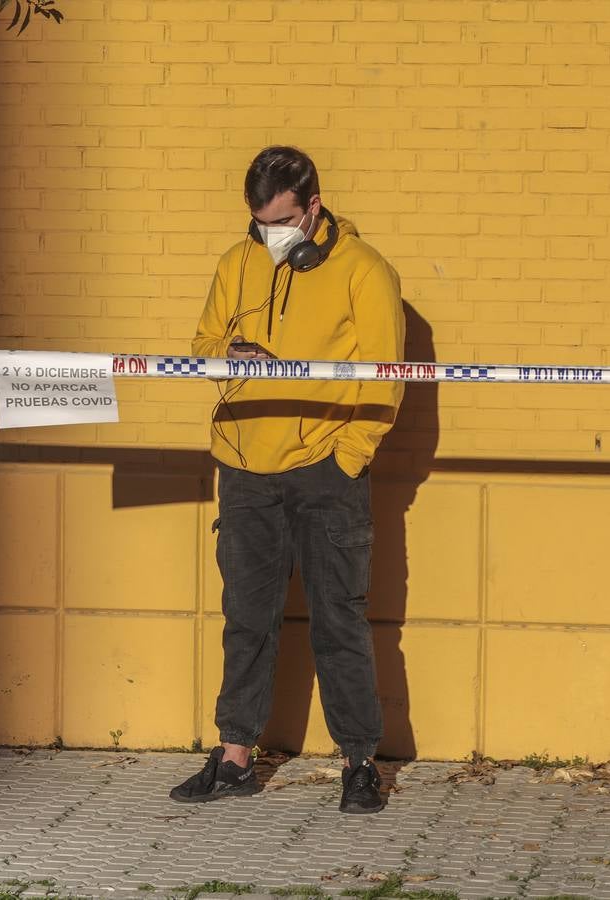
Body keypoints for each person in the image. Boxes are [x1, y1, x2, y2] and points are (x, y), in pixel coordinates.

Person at [171, 146, 405, 814]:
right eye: (259, 223)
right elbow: (199, 349)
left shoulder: (364, 270)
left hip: (325, 470)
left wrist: (349, 456)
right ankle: (235, 757)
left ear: (313, 208)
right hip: (244, 469)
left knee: (339, 620)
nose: (269, 236)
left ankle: (360, 762)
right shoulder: (234, 264)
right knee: (245, 619)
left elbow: (386, 376)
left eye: (281, 222)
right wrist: (225, 355)